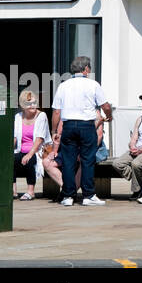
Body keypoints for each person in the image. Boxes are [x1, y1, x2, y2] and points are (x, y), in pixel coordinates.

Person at [50, 55, 113, 207]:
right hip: (86, 126)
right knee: (87, 161)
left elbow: (57, 111)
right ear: (86, 69)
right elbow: (105, 106)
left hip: (69, 126)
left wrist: (54, 130)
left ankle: (68, 196)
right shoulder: (93, 84)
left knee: (68, 162)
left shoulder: (63, 86)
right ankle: (88, 195)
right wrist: (109, 116)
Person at [11, 90, 48, 200]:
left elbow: (40, 138)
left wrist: (29, 154)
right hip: (20, 150)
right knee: (11, 159)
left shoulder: (41, 116)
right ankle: (13, 191)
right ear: (22, 105)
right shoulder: (18, 117)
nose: (33, 105)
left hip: (37, 151)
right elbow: (15, 137)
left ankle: (30, 191)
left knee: (30, 160)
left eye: (34, 102)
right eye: (29, 103)